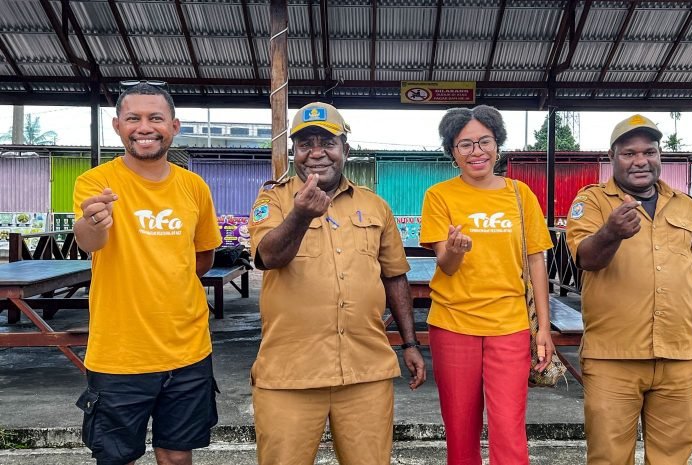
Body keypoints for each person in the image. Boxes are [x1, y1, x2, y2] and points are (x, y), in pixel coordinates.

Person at [247, 102, 426, 465]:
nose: (316, 153)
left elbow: (394, 275)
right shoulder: (273, 200)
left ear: (345, 149)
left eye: (327, 142)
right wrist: (300, 215)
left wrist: (410, 343)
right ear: (294, 152)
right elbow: (268, 257)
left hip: (366, 370)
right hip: (290, 373)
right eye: (305, 144)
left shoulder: (376, 206)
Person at [73, 82, 222, 465]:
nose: (145, 126)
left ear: (174, 126)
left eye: (156, 118)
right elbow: (90, 241)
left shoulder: (194, 187)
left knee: (176, 453)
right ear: (117, 126)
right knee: (116, 456)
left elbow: (202, 257)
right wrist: (94, 220)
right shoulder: (95, 184)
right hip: (120, 352)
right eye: (133, 118)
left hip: (188, 350)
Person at [565, 114, 692, 465]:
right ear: (612, 157)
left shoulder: (685, 205)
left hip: (681, 356)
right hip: (613, 357)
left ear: (660, 155)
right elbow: (585, 259)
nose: (640, 161)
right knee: (608, 457)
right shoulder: (592, 202)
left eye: (649, 151)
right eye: (629, 153)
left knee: (673, 457)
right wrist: (611, 232)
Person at [419, 105, 554, 465]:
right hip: (452, 323)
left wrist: (543, 327)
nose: (476, 151)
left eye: (484, 142)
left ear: (498, 146)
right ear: (452, 153)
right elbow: (444, 267)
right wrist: (455, 251)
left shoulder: (520, 194)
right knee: (460, 428)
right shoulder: (439, 196)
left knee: (509, 428)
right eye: (465, 144)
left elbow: (536, 260)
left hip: (509, 325)